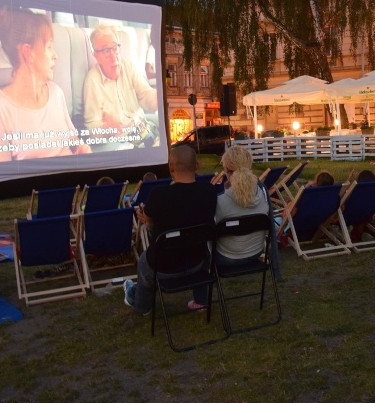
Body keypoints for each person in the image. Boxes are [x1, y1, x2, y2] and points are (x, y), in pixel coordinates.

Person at [0, 5, 91, 163]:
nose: (55, 55)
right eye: (49, 47)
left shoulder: (56, 93)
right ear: (27, 53)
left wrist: (82, 149)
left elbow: (74, 142)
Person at [124, 146, 218, 313]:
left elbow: (152, 220)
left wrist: (147, 219)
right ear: (196, 165)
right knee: (202, 245)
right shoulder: (209, 192)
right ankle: (201, 300)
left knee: (144, 262)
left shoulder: (159, 195)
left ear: (170, 167)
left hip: (163, 266)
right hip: (196, 262)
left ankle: (142, 306)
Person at [83, 25, 159, 148]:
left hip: (143, 126)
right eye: (106, 51)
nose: (114, 56)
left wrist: (160, 98)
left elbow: (145, 95)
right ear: (96, 56)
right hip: (123, 141)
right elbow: (92, 130)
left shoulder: (128, 66)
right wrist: (107, 129)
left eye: (115, 48)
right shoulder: (92, 81)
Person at [213, 145, 278, 271]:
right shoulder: (262, 195)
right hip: (256, 253)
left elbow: (211, 228)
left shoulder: (221, 201)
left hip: (227, 257)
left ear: (226, 169)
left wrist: (209, 193)